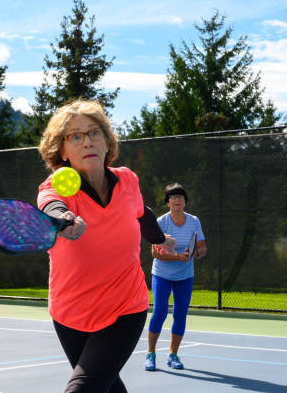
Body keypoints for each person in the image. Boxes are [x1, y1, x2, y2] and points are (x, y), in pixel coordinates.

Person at [36, 99, 176, 392]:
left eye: (94, 132)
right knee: (108, 388)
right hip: (70, 313)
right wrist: (64, 219)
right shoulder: (54, 189)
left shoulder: (127, 180)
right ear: (61, 150)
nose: (87, 141)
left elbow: (142, 215)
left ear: (106, 140)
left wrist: (162, 240)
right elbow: (50, 207)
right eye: (75, 136)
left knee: (85, 388)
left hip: (124, 307)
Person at [144, 182, 207, 371]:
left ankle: (173, 355)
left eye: (180, 196)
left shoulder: (194, 221)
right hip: (162, 275)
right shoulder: (161, 222)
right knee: (160, 312)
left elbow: (203, 248)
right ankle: (150, 354)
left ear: (185, 201)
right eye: (173, 197)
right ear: (167, 202)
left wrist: (194, 253)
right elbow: (155, 253)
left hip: (185, 276)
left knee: (180, 315)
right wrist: (177, 257)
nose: (177, 200)